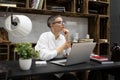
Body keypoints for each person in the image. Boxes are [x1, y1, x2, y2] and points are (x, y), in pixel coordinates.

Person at [35, 15, 77, 80]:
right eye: (60, 22)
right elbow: (44, 56)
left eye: (63, 22)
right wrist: (62, 47)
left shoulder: (63, 38)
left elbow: (70, 55)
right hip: (47, 70)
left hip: (61, 69)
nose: (63, 24)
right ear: (51, 24)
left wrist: (67, 38)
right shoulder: (44, 36)